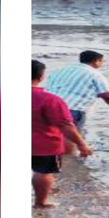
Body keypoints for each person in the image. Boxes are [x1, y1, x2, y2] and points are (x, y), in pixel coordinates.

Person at [32, 60, 93, 208]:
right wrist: (82, 144)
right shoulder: (50, 99)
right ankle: (41, 202)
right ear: (41, 77)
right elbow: (66, 126)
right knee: (43, 172)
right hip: (43, 145)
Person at [46, 50, 109, 154]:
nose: (102, 64)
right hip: (73, 108)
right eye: (101, 61)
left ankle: (51, 157)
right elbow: (108, 95)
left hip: (48, 106)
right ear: (96, 61)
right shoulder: (95, 74)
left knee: (50, 133)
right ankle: (68, 161)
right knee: (71, 136)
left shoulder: (61, 70)